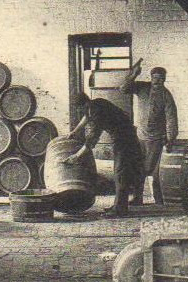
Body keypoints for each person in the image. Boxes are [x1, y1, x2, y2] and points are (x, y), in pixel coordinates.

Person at [64, 93, 144, 217]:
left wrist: (76, 156)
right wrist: (74, 132)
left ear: (82, 106)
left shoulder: (97, 112)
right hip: (128, 136)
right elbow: (86, 117)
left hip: (124, 139)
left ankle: (120, 209)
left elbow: (92, 138)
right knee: (130, 170)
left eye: (79, 108)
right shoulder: (96, 103)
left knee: (120, 172)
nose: (80, 111)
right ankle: (128, 202)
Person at [119, 62, 178, 206]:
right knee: (138, 168)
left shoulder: (166, 95)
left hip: (156, 139)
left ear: (164, 79)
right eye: (155, 78)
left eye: (160, 78)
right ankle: (137, 198)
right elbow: (124, 89)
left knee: (155, 171)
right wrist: (133, 74)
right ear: (151, 78)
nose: (157, 81)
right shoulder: (142, 87)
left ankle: (159, 200)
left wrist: (170, 139)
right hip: (140, 136)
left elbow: (171, 118)